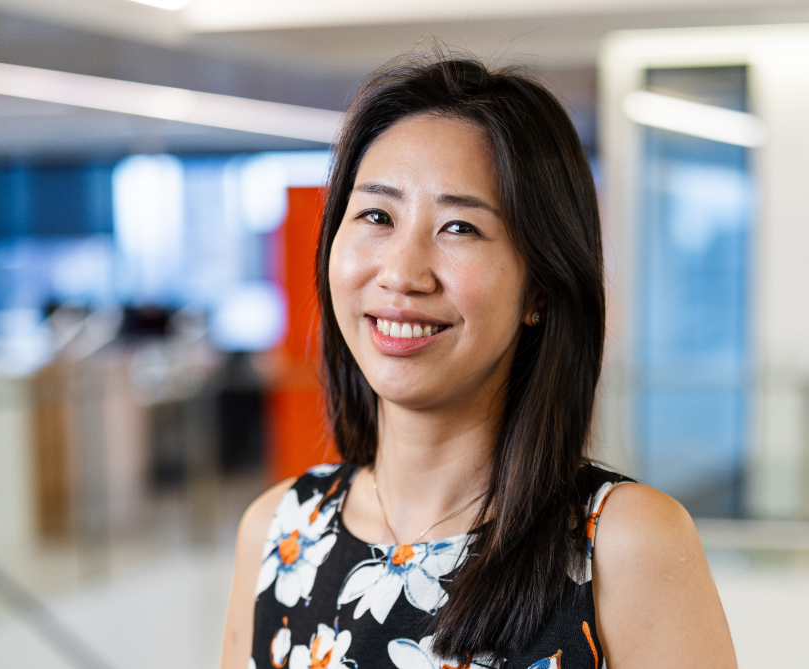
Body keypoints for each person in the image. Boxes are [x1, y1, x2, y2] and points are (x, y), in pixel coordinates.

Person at [222, 53, 737, 669]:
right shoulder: (278, 533)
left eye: (459, 227)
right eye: (377, 216)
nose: (402, 274)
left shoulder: (623, 545)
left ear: (540, 289)